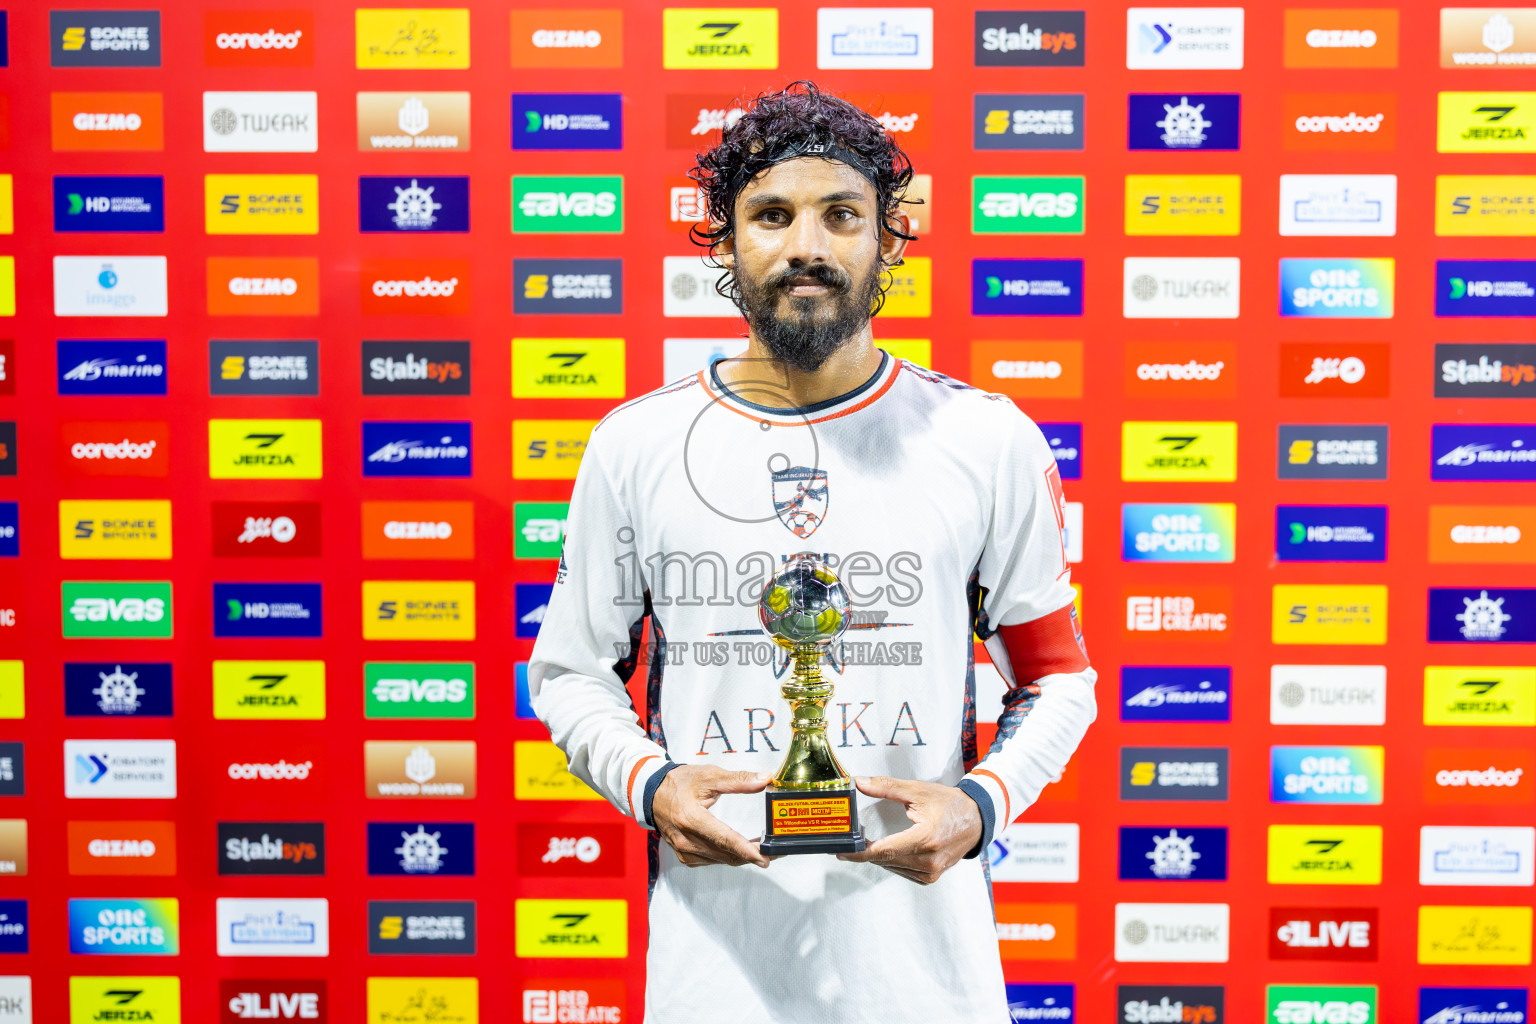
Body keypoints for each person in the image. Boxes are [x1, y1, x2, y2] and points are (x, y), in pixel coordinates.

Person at [529, 81, 1097, 1024]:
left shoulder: (985, 438)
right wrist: (653, 785)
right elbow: (571, 671)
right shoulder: (635, 443)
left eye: (841, 215)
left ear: (888, 236)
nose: (806, 247)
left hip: (927, 973)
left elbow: (1056, 675)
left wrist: (983, 806)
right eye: (771, 215)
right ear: (725, 241)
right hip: (713, 970)